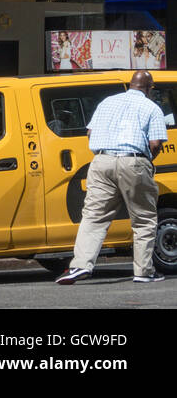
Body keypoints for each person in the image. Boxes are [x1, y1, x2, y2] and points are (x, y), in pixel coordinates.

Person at [57, 70, 169, 285]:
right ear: (149, 88)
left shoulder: (107, 102)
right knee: (144, 219)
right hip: (133, 161)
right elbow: (155, 144)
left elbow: (90, 133)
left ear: (130, 85)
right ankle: (143, 272)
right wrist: (146, 161)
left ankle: (79, 265)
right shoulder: (151, 107)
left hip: (101, 161)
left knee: (94, 216)